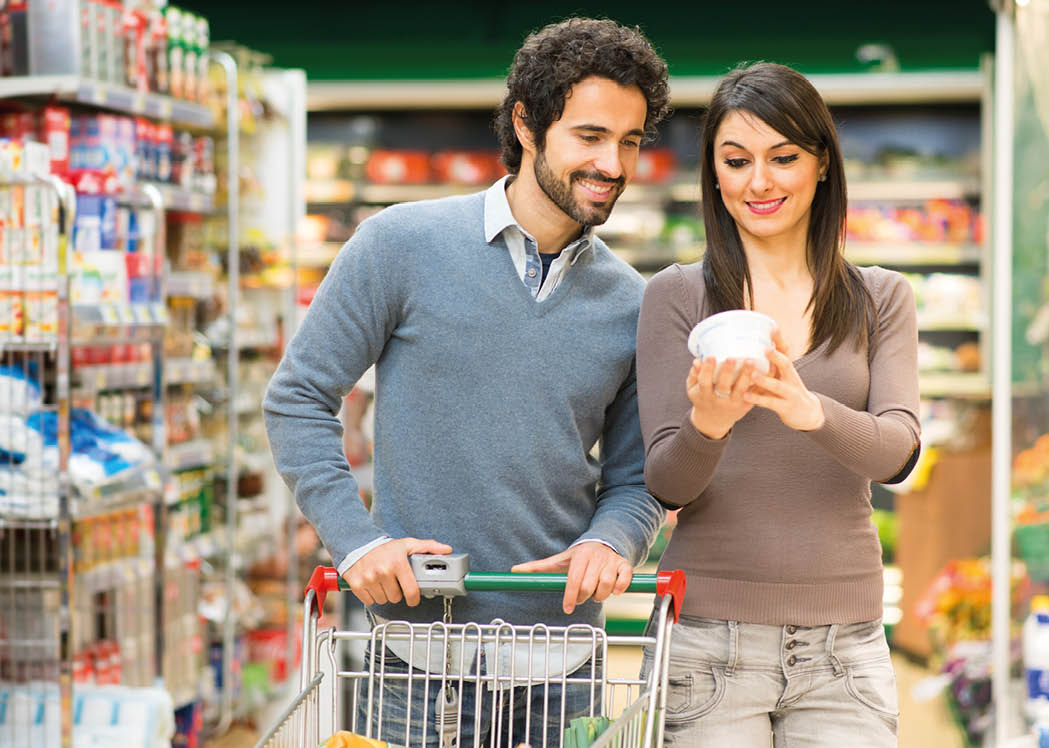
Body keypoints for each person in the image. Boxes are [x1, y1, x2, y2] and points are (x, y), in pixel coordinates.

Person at [263, 17, 670, 747]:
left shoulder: (632, 303)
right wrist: (354, 543)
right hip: (419, 654)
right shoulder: (399, 245)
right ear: (525, 123)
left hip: (562, 660)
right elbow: (298, 398)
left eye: (631, 141)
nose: (612, 163)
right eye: (589, 136)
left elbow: (635, 476)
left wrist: (613, 542)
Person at [635, 62, 920, 747]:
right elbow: (665, 481)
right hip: (706, 645)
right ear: (714, 175)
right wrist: (709, 424)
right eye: (735, 161)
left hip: (844, 650)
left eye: (782, 157)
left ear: (821, 163)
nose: (758, 182)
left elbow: (897, 452)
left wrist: (807, 408)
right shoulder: (675, 297)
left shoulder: (880, 298)